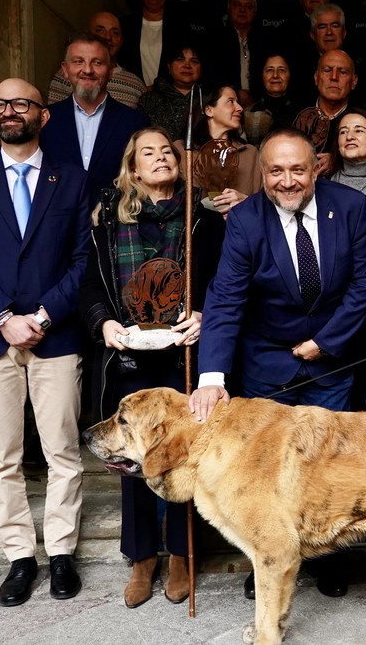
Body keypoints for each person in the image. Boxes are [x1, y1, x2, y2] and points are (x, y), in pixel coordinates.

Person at [190, 127, 366, 599]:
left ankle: (329, 558)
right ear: (263, 172)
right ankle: (268, 560)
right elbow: (226, 299)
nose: (287, 181)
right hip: (266, 362)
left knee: (329, 463)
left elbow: (365, 284)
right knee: (267, 468)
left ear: (316, 167)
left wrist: (326, 340)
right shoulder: (246, 221)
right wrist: (211, 377)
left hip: (330, 360)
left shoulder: (351, 208)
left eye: (298, 169)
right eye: (276, 171)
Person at [0, 78, 90, 607]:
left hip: (56, 333)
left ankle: (63, 554)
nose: (9, 111)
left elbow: (82, 260)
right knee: (2, 456)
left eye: (21, 103)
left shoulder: (71, 180)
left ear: (42, 115)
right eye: (0, 104)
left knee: (63, 452)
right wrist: (5, 317)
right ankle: (20, 558)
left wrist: (45, 314)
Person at [77, 127, 224, 609]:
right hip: (130, 354)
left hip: (184, 353)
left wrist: (205, 313)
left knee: (184, 452)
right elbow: (91, 283)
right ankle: (142, 556)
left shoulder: (202, 216)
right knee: (131, 455)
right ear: (133, 167)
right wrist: (104, 324)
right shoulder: (108, 220)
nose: (161, 158)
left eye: (167, 151)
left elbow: (226, 279)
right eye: (148, 153)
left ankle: (182, 553)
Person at [39, 32, 149, 207]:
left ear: (111, 70)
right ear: (65, 70)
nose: (88, 70)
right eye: (78, 61)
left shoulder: (135, 122)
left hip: (115, 225)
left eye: (97, 62)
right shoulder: (45, 120)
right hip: (59, 227)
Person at [47, 11, 147, 108]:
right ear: (88, 34)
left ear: (121, 40)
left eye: (115, 33)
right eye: (100, 30)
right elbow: (54, 118)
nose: (108, 37)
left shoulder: (136, 84)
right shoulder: (66, 76)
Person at [193, 85, 262, 215]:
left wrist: (246, 201)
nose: (240, 108)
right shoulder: (183, 152)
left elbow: (266, 203)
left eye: (238, 103)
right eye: (231, 102)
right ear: (209, 110)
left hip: (242, 230)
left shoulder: (250, 154)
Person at [294, 49, 358, 172]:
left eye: (343, 72)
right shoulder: (293, 115)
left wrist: (339, 161)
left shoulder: (364, 119)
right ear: (316, 78)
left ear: (354, 81)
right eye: (327, 70)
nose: (334, 77)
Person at [137, 43, 202, 145]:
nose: (187, 65)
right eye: (180, 59)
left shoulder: (211, 100)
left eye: (194, 61)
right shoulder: (149, 100)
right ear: (169, 66)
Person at [210, 0, 265, 108]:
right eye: (237, 5)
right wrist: (236, 91)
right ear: (228, 9)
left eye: (248, 6)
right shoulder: (215, 40)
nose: (242, 10)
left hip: (260, 105)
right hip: (225, 104)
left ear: (254, 12)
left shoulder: (265, 41)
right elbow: (212, 77)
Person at [244, 52, 299, 144]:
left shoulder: (302, 113)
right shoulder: (247, 113)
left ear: (290, 75)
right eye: (269, 70)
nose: (275, 76)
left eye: (282, 70)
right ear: (262, 75)